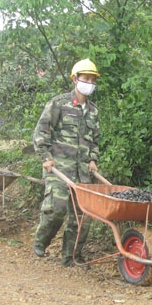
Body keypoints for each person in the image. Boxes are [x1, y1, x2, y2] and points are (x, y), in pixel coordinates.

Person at [32, 59, 101, 267]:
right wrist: (46, 157)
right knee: (56, 209)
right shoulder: (58, 103)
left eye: (92, 79)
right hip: (58, 168)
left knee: (82, 216)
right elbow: (41, 131)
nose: (89, 82)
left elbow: (95, 141)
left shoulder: (93, 111)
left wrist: (92, 159)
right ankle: (41, 241)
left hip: (82, 173)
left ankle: (71, 256)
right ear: (75, 79)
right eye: (85, 78)